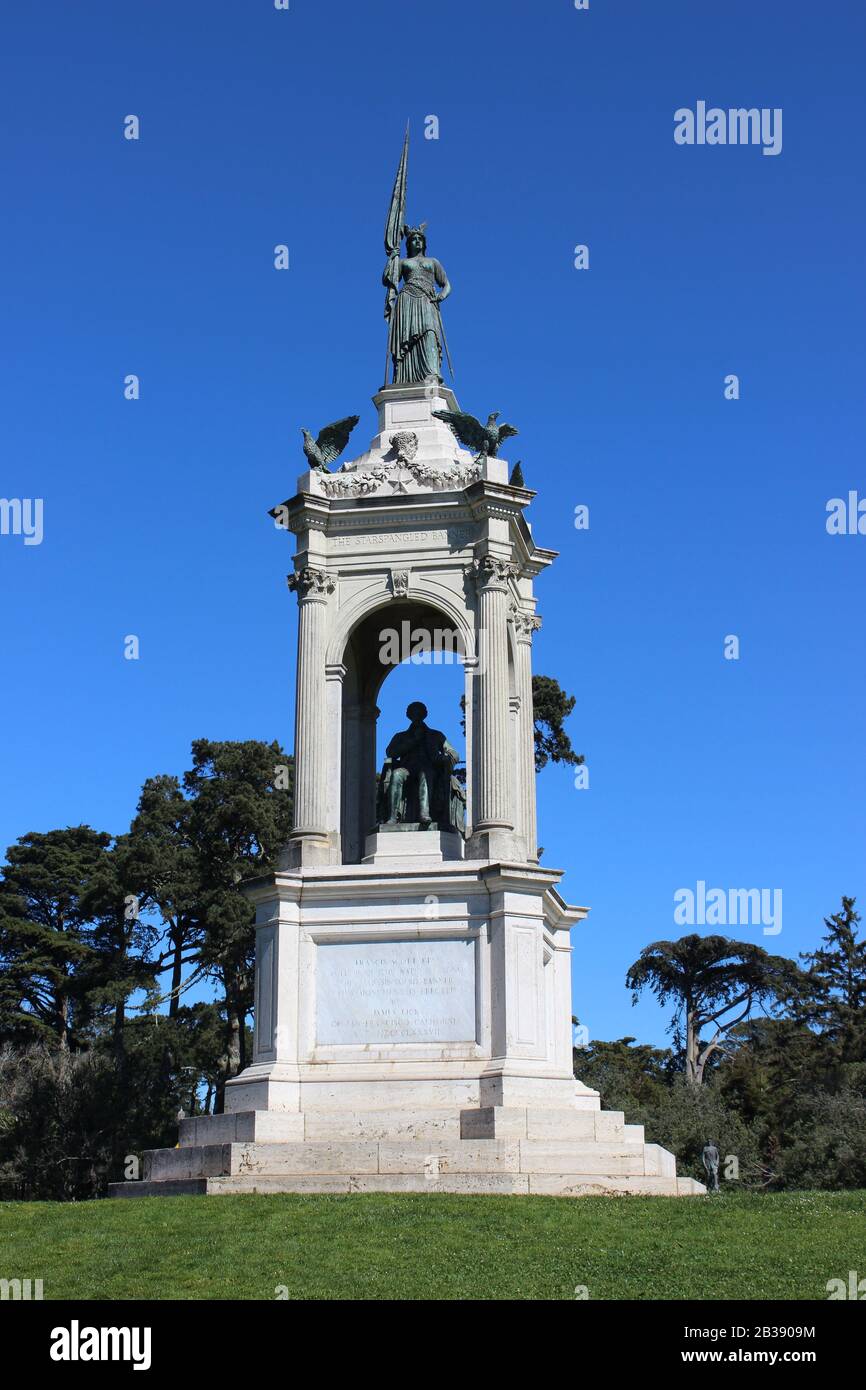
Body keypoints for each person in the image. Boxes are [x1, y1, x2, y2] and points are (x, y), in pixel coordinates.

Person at [383, 226, 451, 385]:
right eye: (413, 239)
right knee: (405, 338)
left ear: (424, 243)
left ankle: (432, 373)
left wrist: (441, 296)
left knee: (430, 333)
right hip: (406, 301)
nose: (417, 241)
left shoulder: (433, 262)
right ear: (409, 244)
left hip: (427, 300)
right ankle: (403, 377)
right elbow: (387, 279)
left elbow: (447, 284)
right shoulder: (403, 262)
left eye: (420, 239)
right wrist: (392, 259)